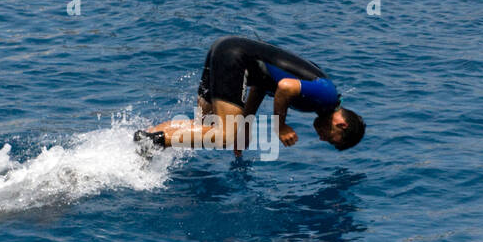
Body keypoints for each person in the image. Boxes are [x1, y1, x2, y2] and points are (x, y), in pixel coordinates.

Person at [135, 36, 364, 155]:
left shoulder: (322, 99)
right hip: (236, 57)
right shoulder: (327, 96)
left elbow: (263, 84)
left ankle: (148, 135)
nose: (322, 138)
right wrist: (280, 126)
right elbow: (284, 87)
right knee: (224, 135)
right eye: (330, 138)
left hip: (224, 48)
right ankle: (152, 142)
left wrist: (245, 124)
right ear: (342, 125)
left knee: (207, 127)